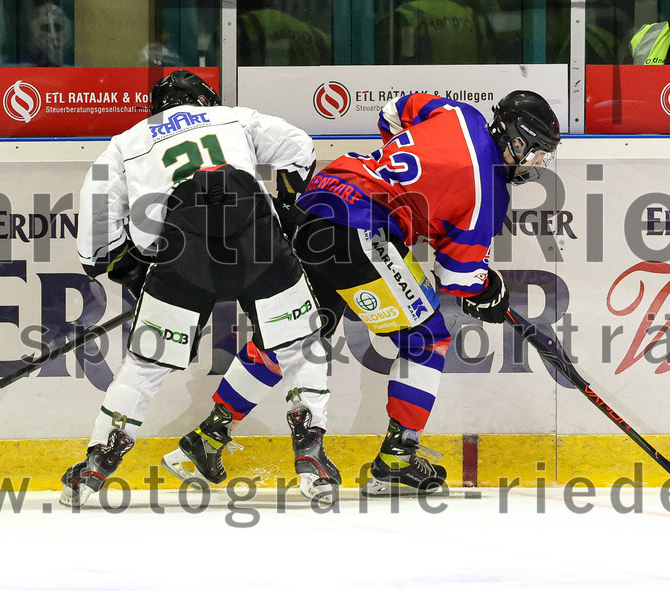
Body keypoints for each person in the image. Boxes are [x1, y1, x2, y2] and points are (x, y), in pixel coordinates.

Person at [178, 90, 561, 496]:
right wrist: (491, 292)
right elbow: (458, 279)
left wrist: (402, 184)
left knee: (294, 335)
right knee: (427, 339)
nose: (536, 164)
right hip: (359, 227)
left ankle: (209, 435)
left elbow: (393, 110)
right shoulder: (490, 193)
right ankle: (397, 456)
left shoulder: (457, 113)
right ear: (516, 140)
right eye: (537, 153)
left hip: (320, 199)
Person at [60, 70, 340, 507]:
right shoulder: (231, 118)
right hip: (253, 235)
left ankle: (96, 467)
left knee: (146, 365)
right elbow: (298, 145)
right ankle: (311, 455)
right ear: (203, 100)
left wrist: (118, 263)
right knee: (302, 343)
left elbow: (95, 218)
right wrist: (285, 205)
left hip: (181, 250)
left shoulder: (126, 142)